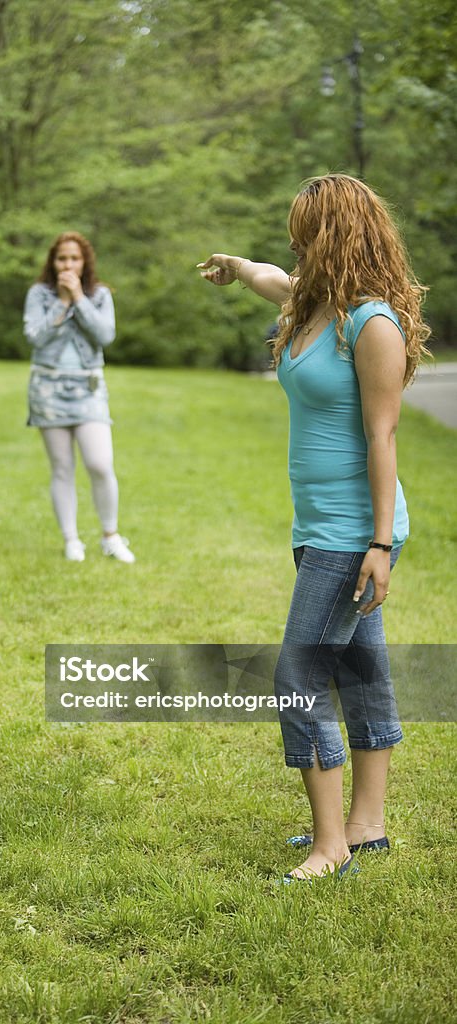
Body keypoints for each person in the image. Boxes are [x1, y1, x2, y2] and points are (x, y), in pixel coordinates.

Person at [198, 174, 430, 881]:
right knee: (360, 670)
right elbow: (272, 277)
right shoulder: (312, 304)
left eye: (305, 230)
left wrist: (380, 545)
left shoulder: (371, 323)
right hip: (317, 524)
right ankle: (365, 829)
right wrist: (237, 269)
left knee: (298, 673)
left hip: (353, 531)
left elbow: (382, 438)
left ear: (335, 234)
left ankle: (330, 847)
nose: (294, 242)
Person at [23, 231, 135, 563]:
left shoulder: (99, 295)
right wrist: (61, 302)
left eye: (74, 258)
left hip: (88, 387)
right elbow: (35, 337)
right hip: (48, 388)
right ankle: (71, 539)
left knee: (100, 464)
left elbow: (105, 334)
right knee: (61, 467)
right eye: (62, 258)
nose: (68, 264)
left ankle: (110, 536)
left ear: (84, 261)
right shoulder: (39, 294)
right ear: (52, 262)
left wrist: (78, 300)